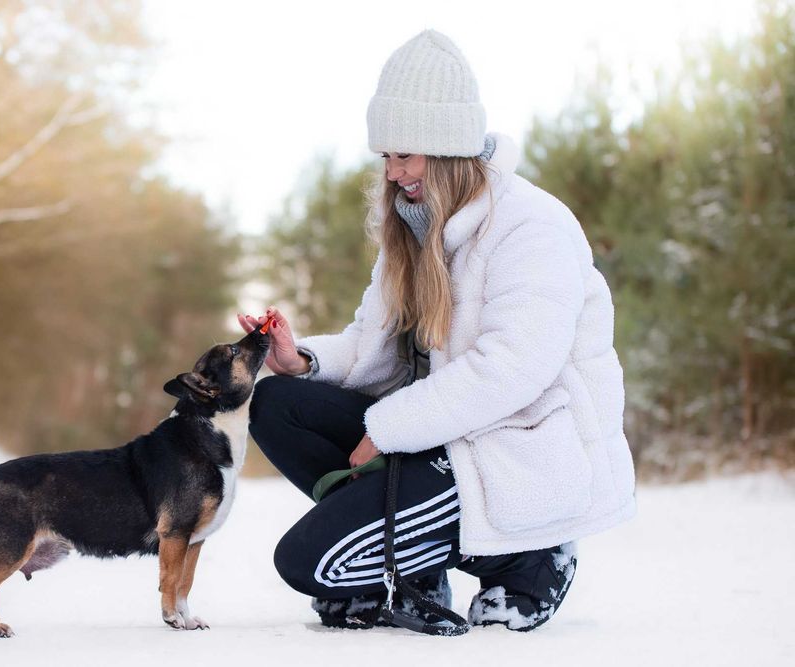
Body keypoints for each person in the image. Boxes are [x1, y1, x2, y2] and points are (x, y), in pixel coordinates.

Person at [238, 29, 636, 632]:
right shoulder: (415, 230)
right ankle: (415, 565)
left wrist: (387, 429)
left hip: (514, 451)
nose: (395, 174)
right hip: (439, 439)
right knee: (278, 403)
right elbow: (376, 348)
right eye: (387, 158)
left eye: (407, 155)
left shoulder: (533, 228)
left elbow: (512, 369)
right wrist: (302, 361)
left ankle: (530, 559)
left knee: (306, 563)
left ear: (449, 149)